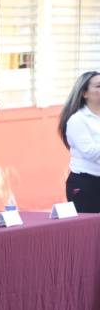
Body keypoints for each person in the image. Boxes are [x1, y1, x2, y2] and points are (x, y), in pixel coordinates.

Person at [58, 70, 100, 213]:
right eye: (98, 86)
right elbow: (91, 153)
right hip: (86, 185)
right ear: (84, 93)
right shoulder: (78, 120)